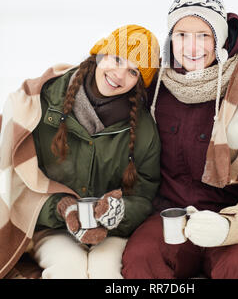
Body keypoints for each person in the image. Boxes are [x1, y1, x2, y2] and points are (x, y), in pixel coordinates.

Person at [122, 0, 238, 279]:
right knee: (142, 260)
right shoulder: (153, 93)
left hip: (235, 219)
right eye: (182, 35)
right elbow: (101, 88)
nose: (192, 47)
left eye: (203, 35)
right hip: (169, 217)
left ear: (219, 39)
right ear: (170, 39)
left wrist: (228, 226)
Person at [0, 24, 161, 279]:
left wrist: (118, 213)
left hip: (112, 232)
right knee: (67, 271)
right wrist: (62, 210)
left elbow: (144, 194)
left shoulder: (143, 129)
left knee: (106, 273)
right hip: (54, 228)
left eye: (132, 71)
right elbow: (16, 181)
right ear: (100, 54)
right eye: (116, 59)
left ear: (139, 82)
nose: (119, 75)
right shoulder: (44, 102)